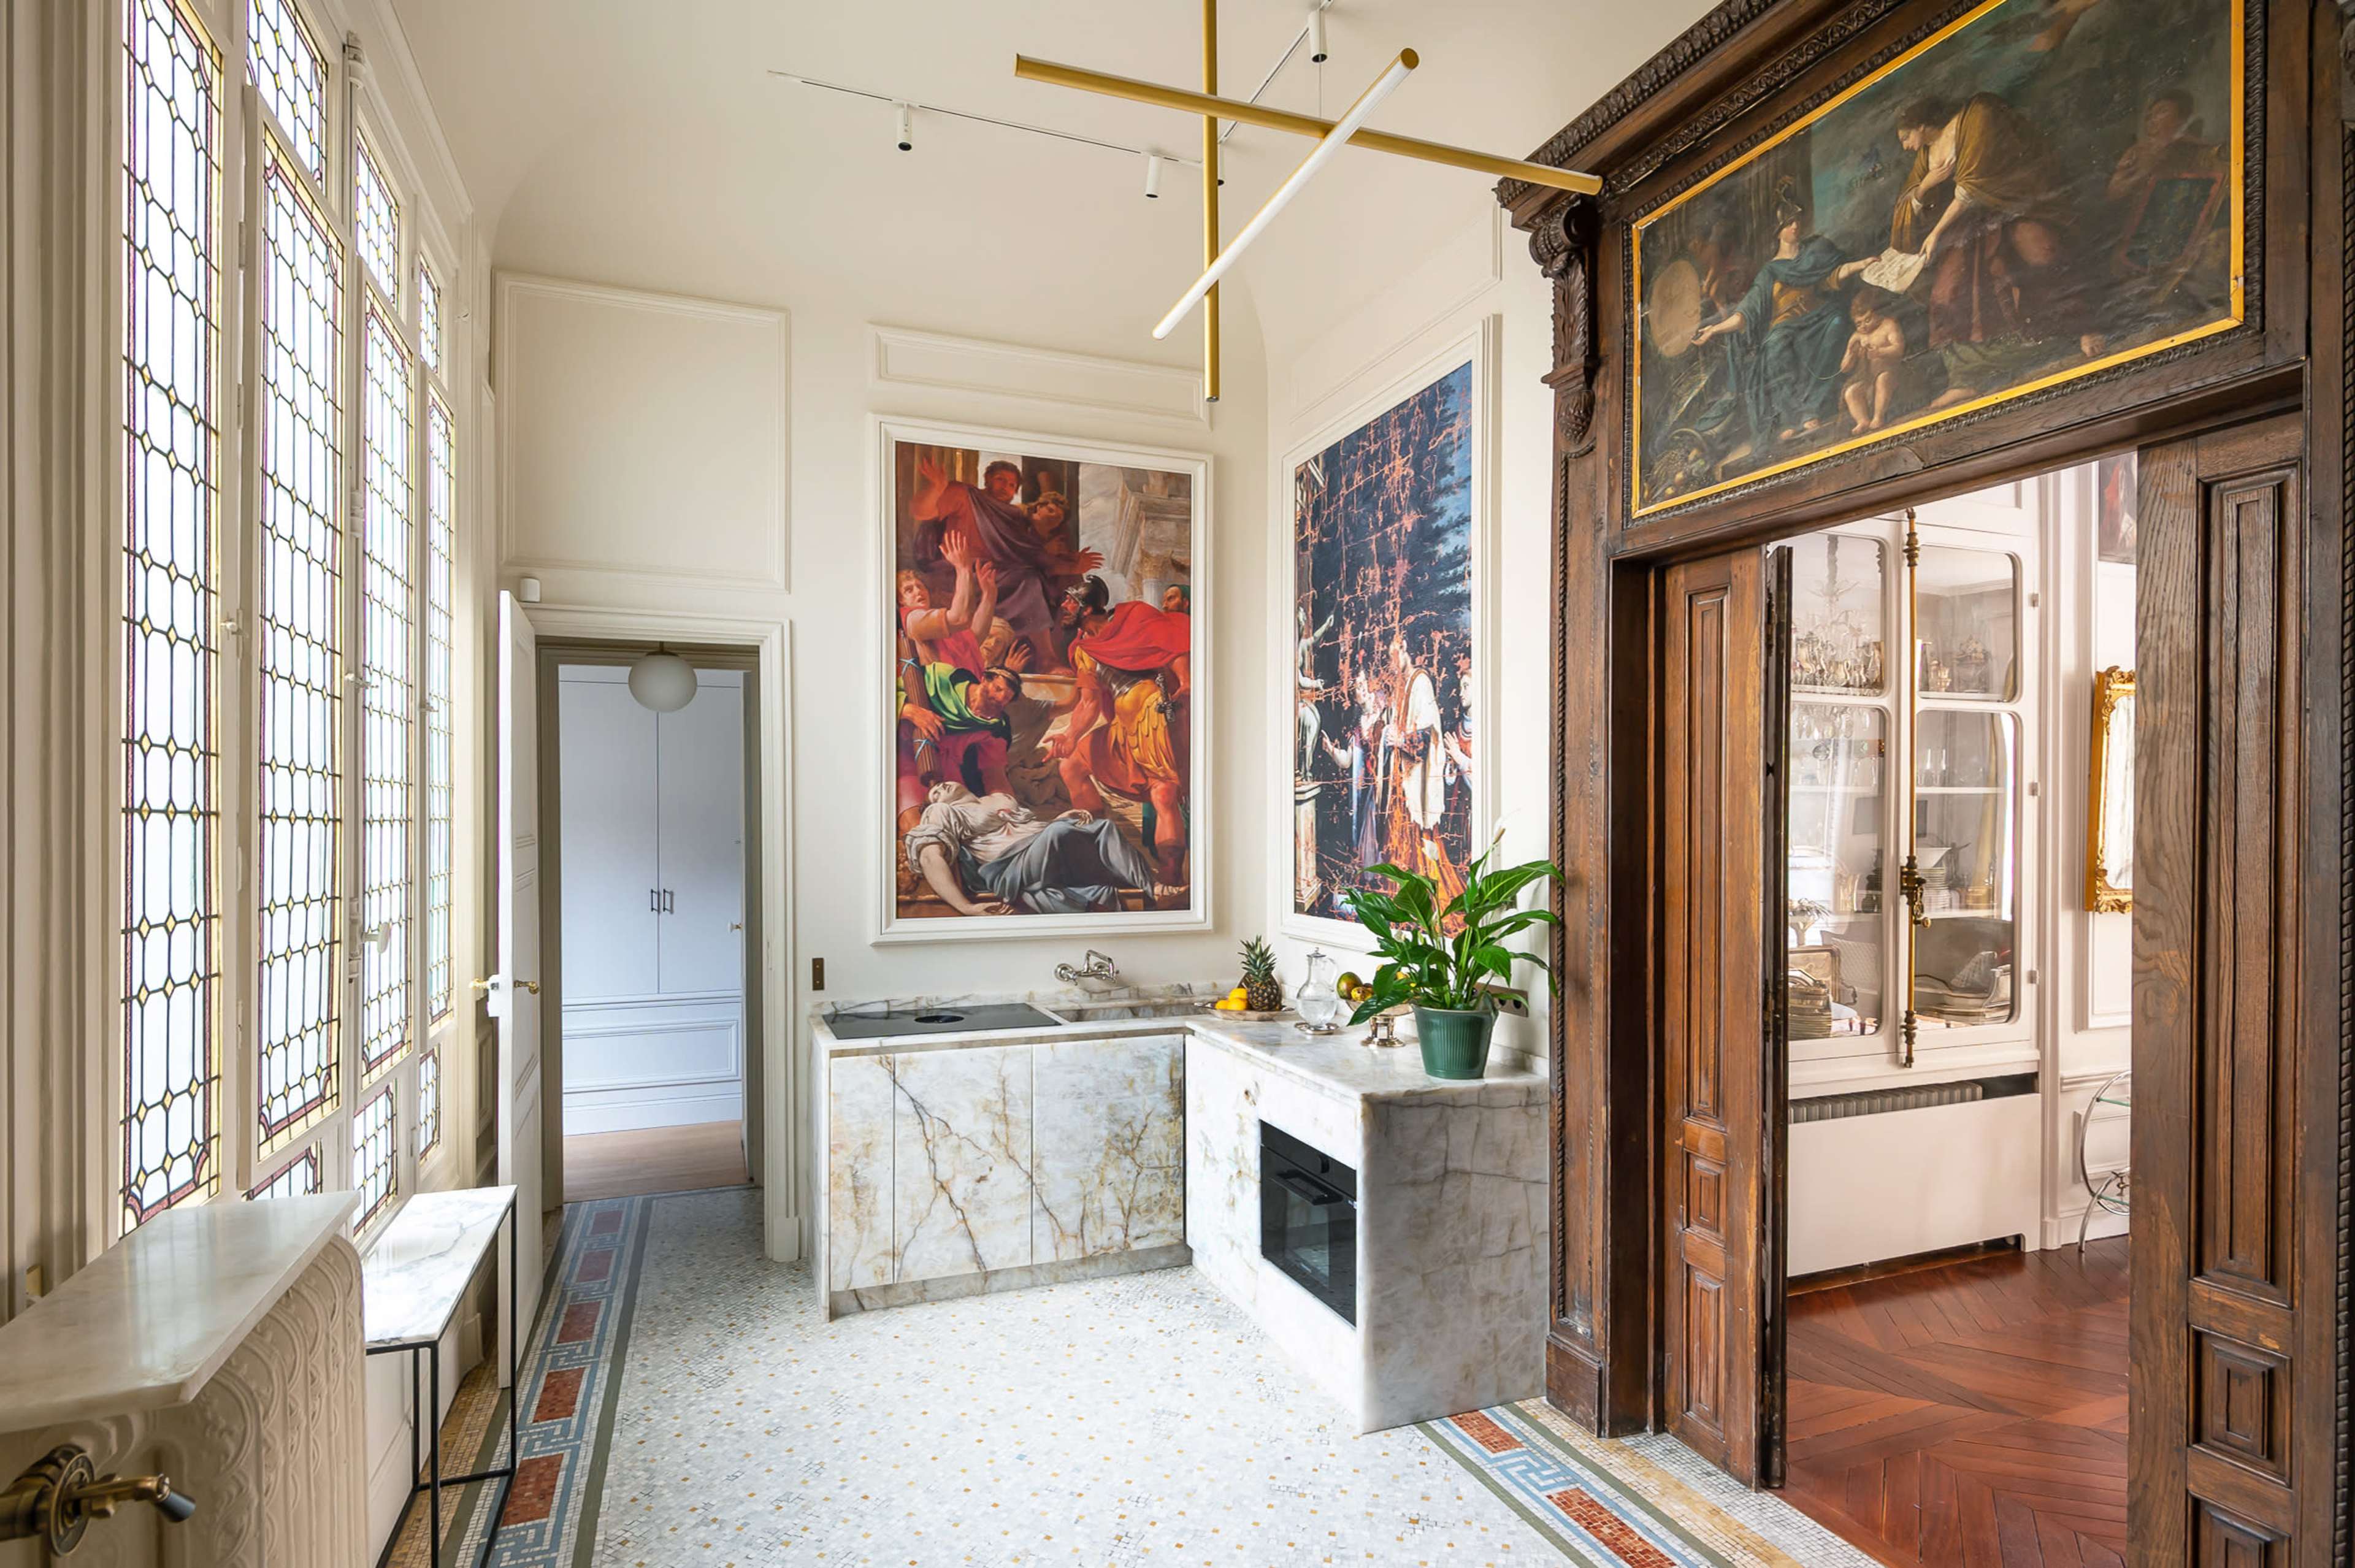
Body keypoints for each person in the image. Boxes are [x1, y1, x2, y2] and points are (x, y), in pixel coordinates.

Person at [1888, 93, 2100, 373]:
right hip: (1970, 225)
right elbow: (1909, 203)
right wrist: (1927, 185)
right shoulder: (1925, 155)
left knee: (2042, 253)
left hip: (2014, 203)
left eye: (1905, 138)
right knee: (1946, 293)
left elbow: (1972, 187)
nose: (1905, 147)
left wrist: (1937, 232)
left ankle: (2084, 328)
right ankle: (1966, 377)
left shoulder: (1977, 116)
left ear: (1922, 126)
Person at [1689, 185, 1874, 447]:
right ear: (1778, 232)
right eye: (1788, 223)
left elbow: (1832, 277)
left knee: (1839, 323)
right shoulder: (1770, 272)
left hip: (1819, 316)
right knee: (1776, 346)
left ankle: (1813, 409)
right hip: (1785, 326)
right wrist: (1713, 330)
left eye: (1798, 220)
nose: (1796, 227)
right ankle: (1791, 418)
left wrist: (1861, 265)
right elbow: (1746, 314)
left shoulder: (1817, 250)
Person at [1049, 576, 1192, 887]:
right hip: (1123, 727)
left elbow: (1174, 639)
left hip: (1153, 714)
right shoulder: (1083, 650)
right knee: (1071, 766)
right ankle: (1102, 846)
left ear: (1086, 607)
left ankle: (1171, 879)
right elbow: (1089, 703)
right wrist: (1071, 736)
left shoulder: (1134, 617)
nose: (1064, 607)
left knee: (1164, 794)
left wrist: (1185, 679)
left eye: (1070, 600)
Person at [910, 454, 1101, 665]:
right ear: (988, 478)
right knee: (1026, 580)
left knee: (1030, 579)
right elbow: (922, 512)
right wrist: (937, 487)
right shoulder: (965, 495)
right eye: (1001, 479)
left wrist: (1073, 566)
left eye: (1012, 485)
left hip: (996, 575)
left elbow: (1030, 553)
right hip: (956, 572)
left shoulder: (1015, 517)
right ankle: (1046, 657)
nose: (1006, 487)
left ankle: (1047, 658)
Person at [903, 783, 1172, 916]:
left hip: (1042, 849)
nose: (939, 789)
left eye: (940, 785)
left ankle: (1153, 888)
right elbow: (929, 854)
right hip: (1011, 868)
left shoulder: (999, 799)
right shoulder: (944, 811)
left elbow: (1034, 829)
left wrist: (1062, 818)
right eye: (934, 793)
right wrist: (966, 907)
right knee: (1059, 832)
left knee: (1104, 828)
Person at [894, 643, 1030, 833]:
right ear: (984, 679)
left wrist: (1005, 806)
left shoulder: (995, 727)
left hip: (950, 780)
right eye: (998, 689)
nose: (1000, 700)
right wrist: (909, 711)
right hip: (908, 763)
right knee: (916, 827)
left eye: (1006, 699)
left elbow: (994, 775)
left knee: (963, 832)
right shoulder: (940, 678)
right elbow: (881, 697)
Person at [1379, 630, 1465, 906]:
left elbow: (1428, 736)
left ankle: (1427, 906)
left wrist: (1401, 739)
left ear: (1403, 645)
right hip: (1403, 782)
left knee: (1422, 848)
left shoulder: (1420, 682)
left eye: (1391, 652)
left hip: (1416, 784)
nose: (1389, 662)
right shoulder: (1402, 684)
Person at [1320, 667, 1387, 871]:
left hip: (1390, 783)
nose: (1363, 689)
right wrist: (1331, 750)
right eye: (1357, 687)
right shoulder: (1358, 726)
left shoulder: (1387, 709)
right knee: (1371, 834)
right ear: (1354, 697)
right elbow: (1348, 760)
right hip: (1370, 788)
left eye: (1363, 682)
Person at [1839, 288, 1910, 433]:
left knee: (1883, 379)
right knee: (1852, 392)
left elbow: (1899, 349)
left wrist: (1879, 352)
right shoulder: (1857, 336)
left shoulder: (1888, 325)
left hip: (1893, 371)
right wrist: (1851, 354)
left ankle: (1878, 417)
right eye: (1859, 323)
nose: (1864, 326)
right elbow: (1845, 368)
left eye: (1867, 320)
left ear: (1878, 313)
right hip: (1868, 377)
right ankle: (1863, 420)